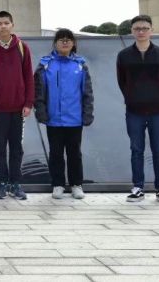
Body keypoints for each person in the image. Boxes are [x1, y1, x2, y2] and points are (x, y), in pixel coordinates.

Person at [117, 14, 159, 205]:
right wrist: (132, 97)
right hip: (134, 111)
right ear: (132, 31)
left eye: (144, 28)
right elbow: (122, 81)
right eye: (137, 29)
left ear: (151, 30)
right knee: (136, 149)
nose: (141, 32)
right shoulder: (124, 55)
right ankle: (138, 188)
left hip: (158, 110)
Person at [34, 29, 94, 200]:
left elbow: (87, 92)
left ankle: (76, 184)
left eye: (68, 40)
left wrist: (87, 113)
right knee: (56, 153)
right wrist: (41, 111)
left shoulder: (80, 65)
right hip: (53, 119)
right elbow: (38, 91)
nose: (65, 42)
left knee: (74, 153)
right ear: (55, 43)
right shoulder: (46, 64)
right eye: (61, 39)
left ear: (73, 43)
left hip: (74, 119)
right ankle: (58, 184)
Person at [0, 10, 34, 200]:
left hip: (18, 108)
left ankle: (16, 183)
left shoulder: (22, 47)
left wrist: (28, 103)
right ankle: (2, 183)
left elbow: (29, 77)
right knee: (0, 148)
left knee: (17, 148)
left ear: (12, 25)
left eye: (6, 23)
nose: (3, 26)